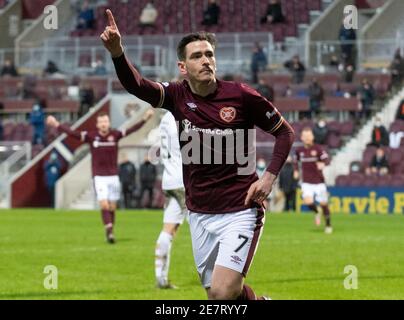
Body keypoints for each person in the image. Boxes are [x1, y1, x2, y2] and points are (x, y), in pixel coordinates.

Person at [101, 10, 294, 300]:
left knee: (221, 293)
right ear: (182, 66)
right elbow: (137, 86)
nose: (205, 60)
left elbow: (285, 132)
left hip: (241, 209)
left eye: (209, 54)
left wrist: (268, 178)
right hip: (200, 213)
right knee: (221, 297)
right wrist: (117, 52)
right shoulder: (178, 96)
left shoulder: (240, 95)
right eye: (197, 56)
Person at [46, 109, 155, 243]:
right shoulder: (92, 136)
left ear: (109, 123)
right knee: (104, 205)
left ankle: (110, 229)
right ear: (97, 124)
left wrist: (145, 119)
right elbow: (73, 134)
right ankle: (109, 232)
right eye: (101, 122)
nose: (104, 124)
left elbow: (132, 129)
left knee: (112, 207)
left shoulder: (115, 135)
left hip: (113, 177)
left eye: (106, 121)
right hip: (99, 177)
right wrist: (57, 124)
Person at [155, 110, 187, 289]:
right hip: (184, 181)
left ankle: (160, 277)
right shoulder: (181, 116)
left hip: (169, 181)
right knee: (207, 226)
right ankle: (216, 278)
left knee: (169, 229)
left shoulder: (165, 118)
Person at [294, 127, 332, 234]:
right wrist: (296, 171)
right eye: (305, 136)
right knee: (308, 201)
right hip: (306, 182)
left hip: (319, 182)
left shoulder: (318, 149)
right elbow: (295, 162)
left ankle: (328, 224)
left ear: (312, 137)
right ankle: (316, 211)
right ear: (301, 138)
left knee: (324, 203)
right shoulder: (299, 151)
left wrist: (323, 163)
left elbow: (326, 159)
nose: (307, 138)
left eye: (309, 136)